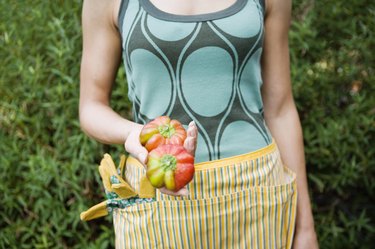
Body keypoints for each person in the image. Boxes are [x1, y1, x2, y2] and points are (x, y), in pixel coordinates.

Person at [79, 0, 319, 248]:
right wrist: (136, 133)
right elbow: (91, 106)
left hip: (256, 194)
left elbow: (280, 109)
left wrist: (305, 230)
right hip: (158, 200)